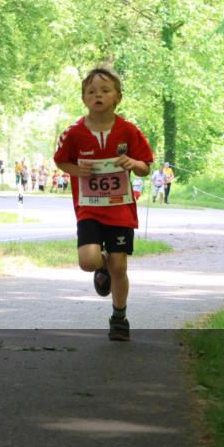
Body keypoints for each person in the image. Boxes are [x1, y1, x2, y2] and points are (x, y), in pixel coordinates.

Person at [54, 67, 153, 342]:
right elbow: (61, 160)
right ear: (84, 98)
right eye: (91, 91)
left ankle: (119, 317)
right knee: (87, 262)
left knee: (119, 267)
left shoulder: (129, 131)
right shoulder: (74, 133)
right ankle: (100, 267)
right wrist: (76, 171)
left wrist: (133, 164)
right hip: (89, 208)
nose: (98, 95)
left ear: (117, 97)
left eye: (105, 90)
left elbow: (145, 167)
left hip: (120, 210)